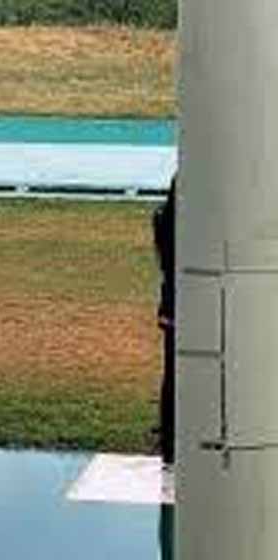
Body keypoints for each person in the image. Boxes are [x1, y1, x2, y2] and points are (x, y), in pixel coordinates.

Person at [153, 175, 177, 465]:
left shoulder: (161, 219)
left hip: (171, 302)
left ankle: (169, 443)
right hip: (181, 301)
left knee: (171, 373)